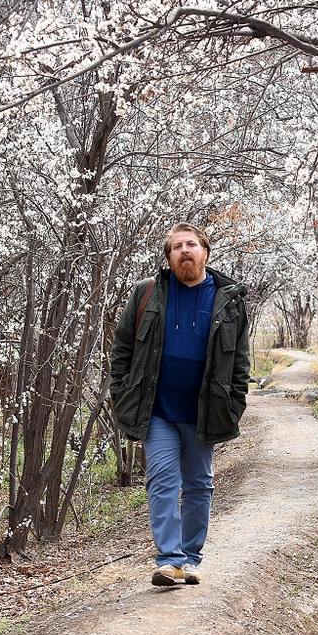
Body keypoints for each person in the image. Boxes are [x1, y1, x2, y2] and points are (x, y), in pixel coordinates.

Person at [109, 222, 250, 586]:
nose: (184, 251)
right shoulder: (148, 293)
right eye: (176, 247)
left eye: (191, 245)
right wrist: (121, 391)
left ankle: (190, 558)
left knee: (199, 484)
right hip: (157, 410)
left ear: (205, 251)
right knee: (162, 481)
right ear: (169, 257)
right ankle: (169, 560)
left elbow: (240, 363)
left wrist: (234, 403)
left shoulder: (228, 299)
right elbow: (122, 349)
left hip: (204, 410)